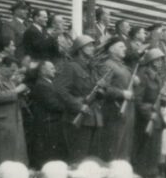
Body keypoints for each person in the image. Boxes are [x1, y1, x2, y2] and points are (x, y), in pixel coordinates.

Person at [53, 35, 100, 163]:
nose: (92, 48)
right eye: (89, 46)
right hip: (76, 117)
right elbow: (60, 89)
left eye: (92, 46)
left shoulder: (91, 68)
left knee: (89, 159)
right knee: (77, 157)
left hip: (92, 118)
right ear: (80, 49)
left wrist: (102, 89)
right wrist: (77, 105)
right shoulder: (71, 66)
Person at [0, 56, 29, 165]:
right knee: (2, 157)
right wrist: (17, 90)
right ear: (3, 67)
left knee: (14, 157)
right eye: (12, 70)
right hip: (1, 124)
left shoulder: (8, 79)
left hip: (12, 122)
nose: (14, 73)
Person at [96, 37, 136, 163]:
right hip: (114, 110)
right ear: (112, 50)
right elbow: (102, 88)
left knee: (125, 146)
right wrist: (122, 93)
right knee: (113, 147)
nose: (125, 49)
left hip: (127, 112)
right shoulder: (107, 65)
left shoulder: (123, 67)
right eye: (121, 46)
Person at [133, 49, 166, 178]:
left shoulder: (157, 78)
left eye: (161, 60)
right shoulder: (144, 76)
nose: (160, 63)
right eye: (157, 60)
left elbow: (159, 99)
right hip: (146, 119)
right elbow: (138, 99)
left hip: (157, 118)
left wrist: (165, 99)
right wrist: (148, 113)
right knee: (146, 152)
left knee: (154, 152)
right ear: (150, 62)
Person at [28, 60, 67, 167]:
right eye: (51, 68)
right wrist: (67, 106)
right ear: (43, 71)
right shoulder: (42, 85)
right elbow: (53, 104)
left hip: (52, 122)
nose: (55, 70)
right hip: (48, 123)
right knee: (49, 152)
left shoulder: (47, 83)